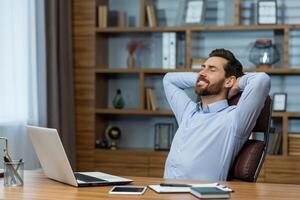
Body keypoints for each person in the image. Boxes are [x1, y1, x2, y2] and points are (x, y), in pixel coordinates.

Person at [163, 48, 270, 181]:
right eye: (202, 68)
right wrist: (202, 79)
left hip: (200, 194)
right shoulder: (188, 112)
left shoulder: (234, 120)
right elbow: (168, 79)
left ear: (229, 81)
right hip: (165, 190)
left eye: (212, 69)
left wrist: (236, 84)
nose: (202, 73)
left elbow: (262, 80)